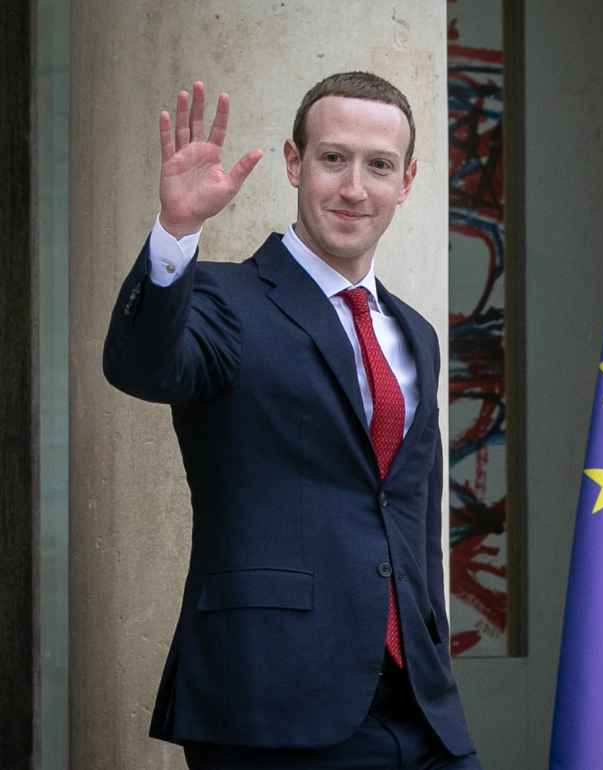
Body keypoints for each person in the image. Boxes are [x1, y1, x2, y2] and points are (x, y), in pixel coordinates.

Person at [103, 72, 482, 769]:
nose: (354, 188)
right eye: (333, 158)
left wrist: (432, 651)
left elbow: (408, 511)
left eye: (379, 165)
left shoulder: (417, 334)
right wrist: (177, 232)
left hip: (422, 710)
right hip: (271, 702)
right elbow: (141, 368)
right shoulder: (221, 300)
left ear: (407, 181)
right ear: (292, 162)